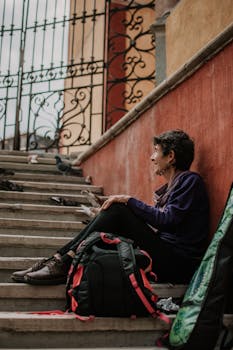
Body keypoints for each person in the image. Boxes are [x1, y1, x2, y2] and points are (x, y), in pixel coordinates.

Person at [12, 129, 209, 285]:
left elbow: (166, 221)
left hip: (178, 264)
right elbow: (159, 222)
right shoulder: (171, 187)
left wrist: (128, 200)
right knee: (114, 212)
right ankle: (58, 259)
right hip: (166, 255)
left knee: (118, 210)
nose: (151, 157)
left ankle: (61, 262)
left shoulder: (190, 181)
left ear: (171, 156)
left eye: (156, 151)